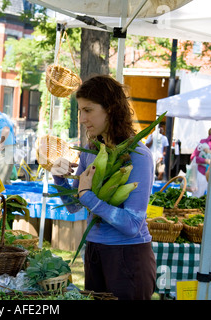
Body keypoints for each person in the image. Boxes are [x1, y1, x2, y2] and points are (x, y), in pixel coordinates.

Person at [50, 75, 156, 300]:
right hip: (95, 251)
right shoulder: (93, 150)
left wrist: (88, 197)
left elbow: (132, 225)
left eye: (88, 110)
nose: (82, 119)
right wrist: (59, 179)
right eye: (80, 111)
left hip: (128, 257)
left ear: (111, 109)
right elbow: (74, 206)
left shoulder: (139, 156)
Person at [190, 127, 211, 197]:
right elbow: (193, 157)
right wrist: (205, 161)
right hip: (201, 173)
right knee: (197, 196)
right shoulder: (203, 142)